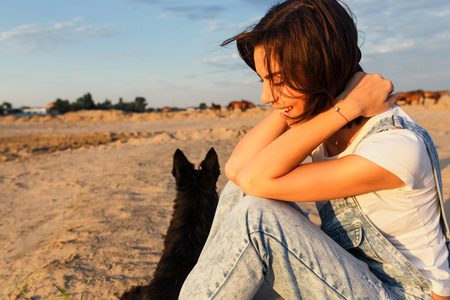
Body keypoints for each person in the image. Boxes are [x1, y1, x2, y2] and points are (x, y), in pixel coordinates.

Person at [179, 0, 450, 299]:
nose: (265, 96)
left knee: (258, 220)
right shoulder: (327, 124)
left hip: (404, 294)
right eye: (264, 80)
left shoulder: (397, 145)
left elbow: (257, 180)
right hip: (353, 278)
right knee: (239, 192)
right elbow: (238, 172)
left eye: (278, 80)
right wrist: (337, 106)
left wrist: (345, 106)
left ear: (321, 68)